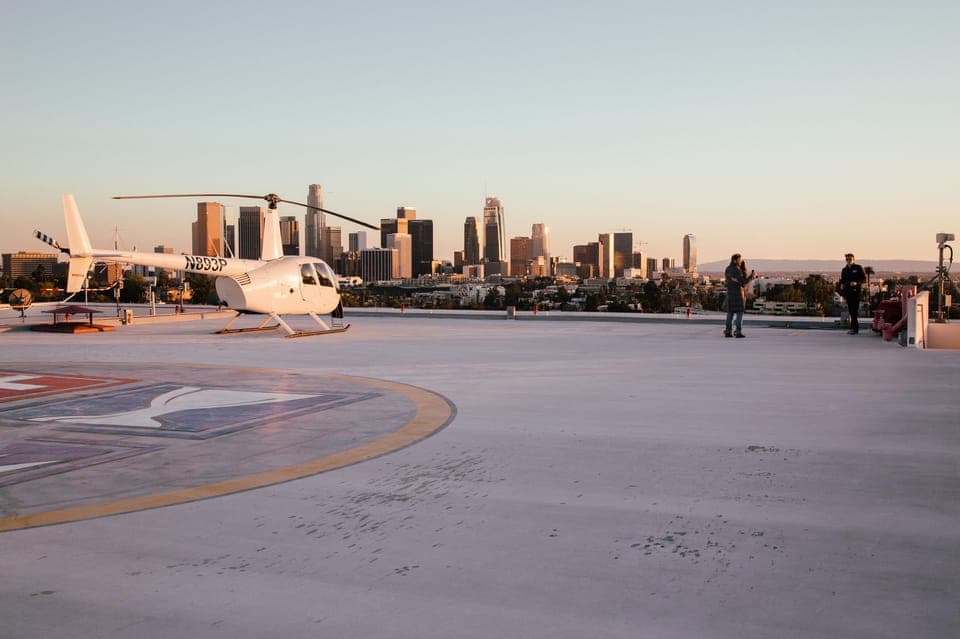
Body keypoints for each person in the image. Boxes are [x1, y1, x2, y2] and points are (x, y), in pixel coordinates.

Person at [724, 253, 756, 338]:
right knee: (739, 313)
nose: (741, 261)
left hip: (730, 293)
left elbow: (728, 281)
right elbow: (743, 282)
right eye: (740, 259)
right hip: (738, 294)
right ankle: (738, 332)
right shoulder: (737, 270)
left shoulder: (727, 269)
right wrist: (751, 277)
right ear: (736, 260)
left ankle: (728, 331)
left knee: (730, 313)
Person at [839, 252, 866, 334]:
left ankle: (854, 328)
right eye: (847, 259)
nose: (848, 261)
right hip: (848, 293)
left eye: (850, 259)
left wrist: (856, 283)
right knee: (851, 311)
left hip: (856, 292)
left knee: (854, 311)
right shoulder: (844, 270)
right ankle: (853, 328)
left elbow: (864, 279)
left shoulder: (858, 268)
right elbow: (842, 281)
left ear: (853, 259)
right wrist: (841, 289)